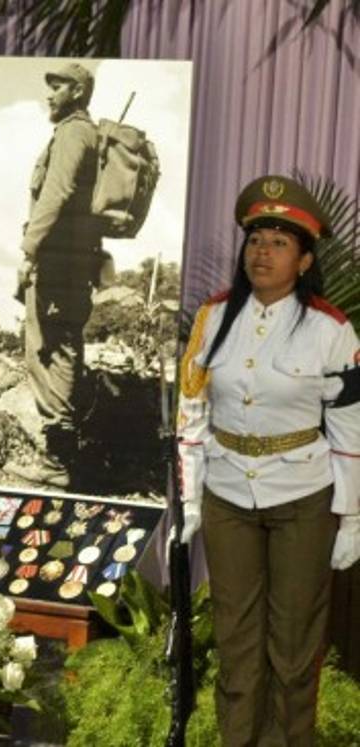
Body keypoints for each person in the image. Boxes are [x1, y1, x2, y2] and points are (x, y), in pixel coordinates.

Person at [177, 174, 360, 745]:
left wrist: (352, 515)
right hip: (228, 493)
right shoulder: (213, 317)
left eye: (280, 242)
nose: (263, 251)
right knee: (236, 641)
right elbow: (192, 412)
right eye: (256, 239)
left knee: (293, 645)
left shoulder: (330, 329)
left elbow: (351, 428)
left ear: (304, 261)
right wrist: (190, 497)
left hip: (303, 497)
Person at [5, 62, 104, 489]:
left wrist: (29, 250)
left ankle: (58, 462)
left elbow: (56, 193)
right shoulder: (79, 133)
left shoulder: (74, 133)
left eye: (58, 86)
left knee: (51, 353)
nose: (50, 94)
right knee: (56, 349)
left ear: (77, 91)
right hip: (70, 263)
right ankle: (65, 457)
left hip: (59, 266)